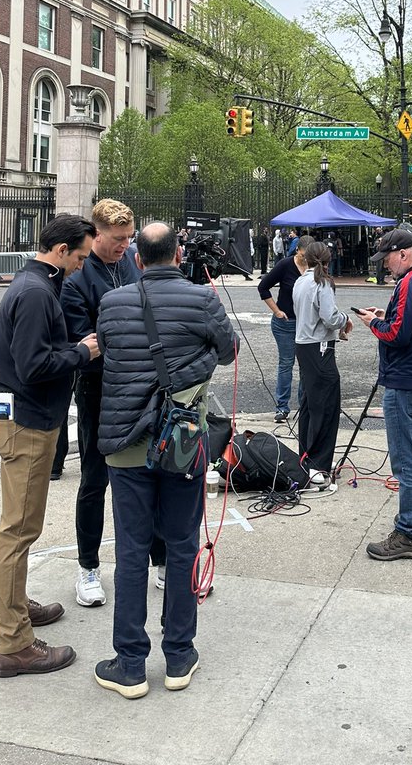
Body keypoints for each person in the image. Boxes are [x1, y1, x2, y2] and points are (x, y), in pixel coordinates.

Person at [93, 221, 237, 700]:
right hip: (182, 442)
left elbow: (112, 353)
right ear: (178, 255)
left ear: (137, 258)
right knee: (181, 546)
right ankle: (178, 654)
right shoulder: (201, 299)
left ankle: (130, 663)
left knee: (131, 552)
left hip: (128, 444)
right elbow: (228, 349)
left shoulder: (112, 303)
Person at [0, 213, 100, 678]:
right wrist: (83, 352)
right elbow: (33, 365)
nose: (80, 265)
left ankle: (16, 610)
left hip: (26, 419)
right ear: (61, 251)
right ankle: (14, 644)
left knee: (20, 527)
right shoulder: (36, 292)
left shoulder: (33, 284)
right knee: (18, 531)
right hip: (29, 422)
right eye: (79, 256)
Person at [60, 199, 141, 608]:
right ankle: (88, 566)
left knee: (149, 473)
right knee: (95, 480)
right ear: (97, 235)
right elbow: (84, 343)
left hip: (137, 386)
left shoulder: (128, 265)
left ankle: (156, 558)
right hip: (97, 389)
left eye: (129, 238)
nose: (125, 246)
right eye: (118, 239)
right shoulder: (78, 280)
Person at [354, 227, 412, 561]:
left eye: (388, 258)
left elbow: (397, 334)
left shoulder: (410, 282)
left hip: (405, 383)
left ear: (404, 254)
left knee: (407, 461)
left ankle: (408, 533)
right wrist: (386, 314)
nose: (385, 266)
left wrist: (372, 324)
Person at [291, 240, 351, 487]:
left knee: (309, 404)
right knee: (326, 406)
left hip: (303, 344)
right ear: (327, 260)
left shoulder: (300, 281)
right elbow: (329, 317)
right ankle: (319, 464)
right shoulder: (322, 283)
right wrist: (345, 319)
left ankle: (305, 457)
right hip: (320, 347)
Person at [257, 235, 314, 421]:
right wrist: (276, 311)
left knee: (306, 365)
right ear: (297, 250)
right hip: (286, 323)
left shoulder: (314, 267)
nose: (307, 259)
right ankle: (282, 407)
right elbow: (263, 287)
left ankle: (304, 405)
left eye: (310, 256)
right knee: (286, 363)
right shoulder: (285, 265)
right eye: (304, 255)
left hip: (305, 323)